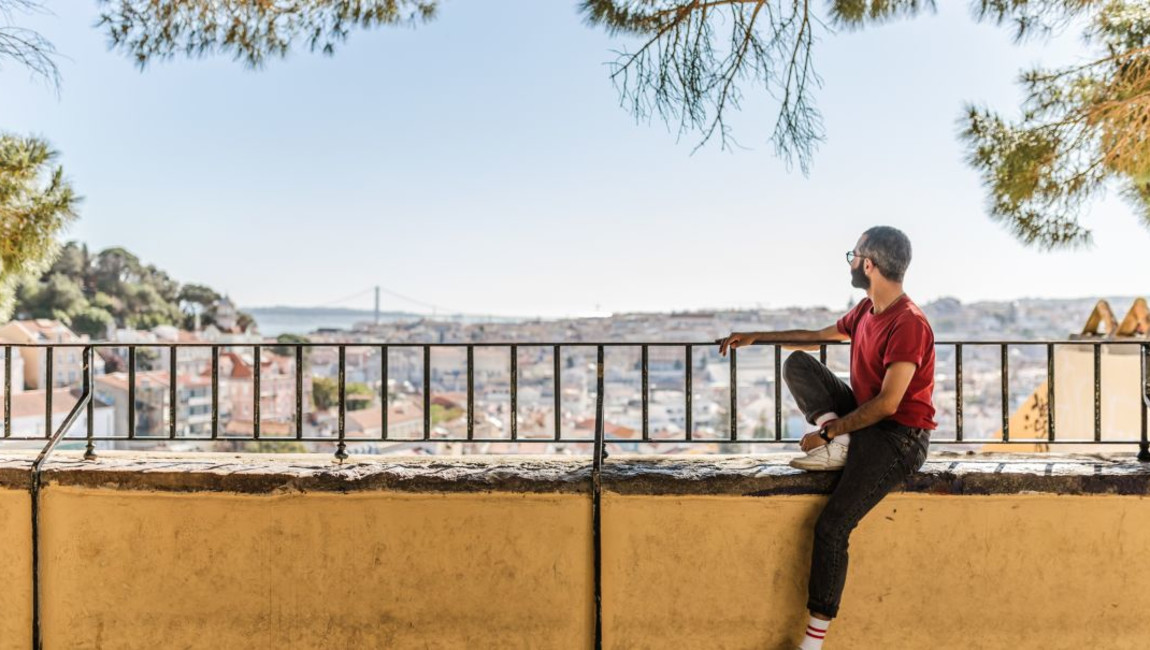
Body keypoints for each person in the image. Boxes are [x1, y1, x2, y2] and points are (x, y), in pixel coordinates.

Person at [717, 226, 936, 650]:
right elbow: (819, 338)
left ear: (868, 264)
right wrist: (758, 338)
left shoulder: (909, 323)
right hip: (865, 422)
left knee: (832, 527)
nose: (850, 262)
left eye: (853, 255)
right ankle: (844, 445)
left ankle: (812, 644)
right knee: (799, 364)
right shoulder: (867, 310)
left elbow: (889, 404)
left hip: (898, 438)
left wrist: (828, 431)